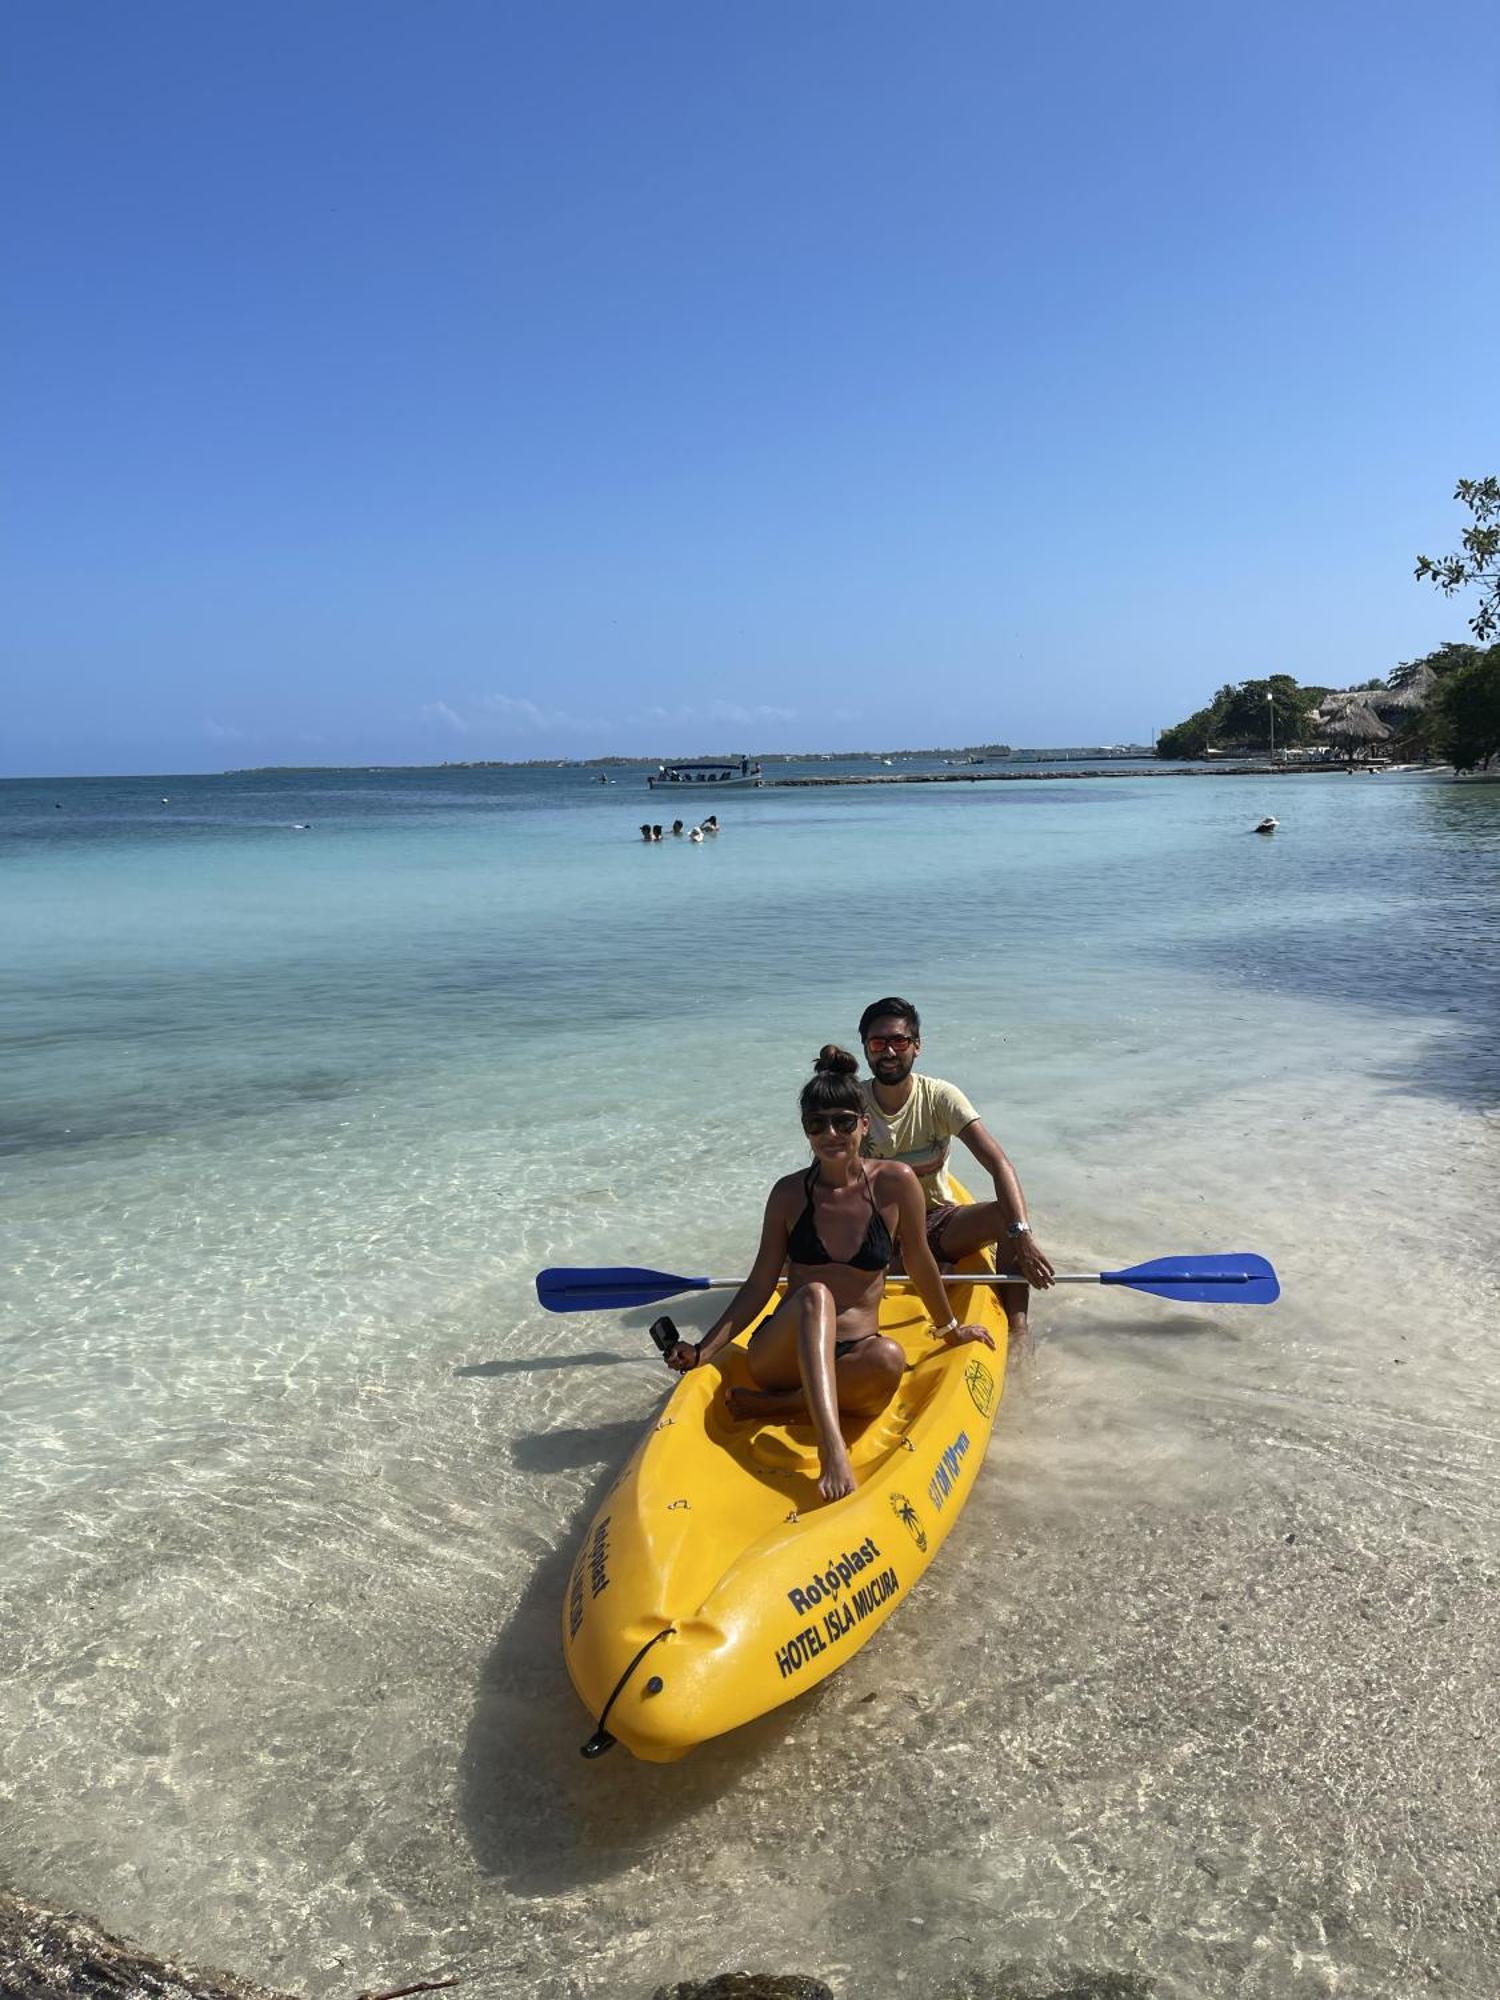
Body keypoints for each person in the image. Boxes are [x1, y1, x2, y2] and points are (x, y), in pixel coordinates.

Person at [665, 1047, 993, 1502]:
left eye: (842, 1121)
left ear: (864, 1123)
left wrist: (950, 1329)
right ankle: (831, 1444)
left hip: (854, 1354)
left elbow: (918, 1260)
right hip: (779, 1356)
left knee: (891, 1358)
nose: (831, 1133)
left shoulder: (895, 1183)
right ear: (806, 1132)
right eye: (817, 1125)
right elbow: (761, 1283)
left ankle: (780, 1406)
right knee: (816, 1294)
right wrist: (704, 1351)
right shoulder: (788, 1195)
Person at [853, 997, 1054, 1350]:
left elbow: (998, 1162)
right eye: (877, 1042)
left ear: (917, 1047)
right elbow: (830, 1175)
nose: (888, 1051)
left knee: (1006, 1217)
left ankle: (1018, 1332)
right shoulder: (852, 1103)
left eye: (899, 1041)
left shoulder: (940, 1097)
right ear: (866, 1049)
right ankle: (922, 1273)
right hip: (874, 1230)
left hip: (934, 1222)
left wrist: (1022, 1233)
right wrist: (907, 1171)